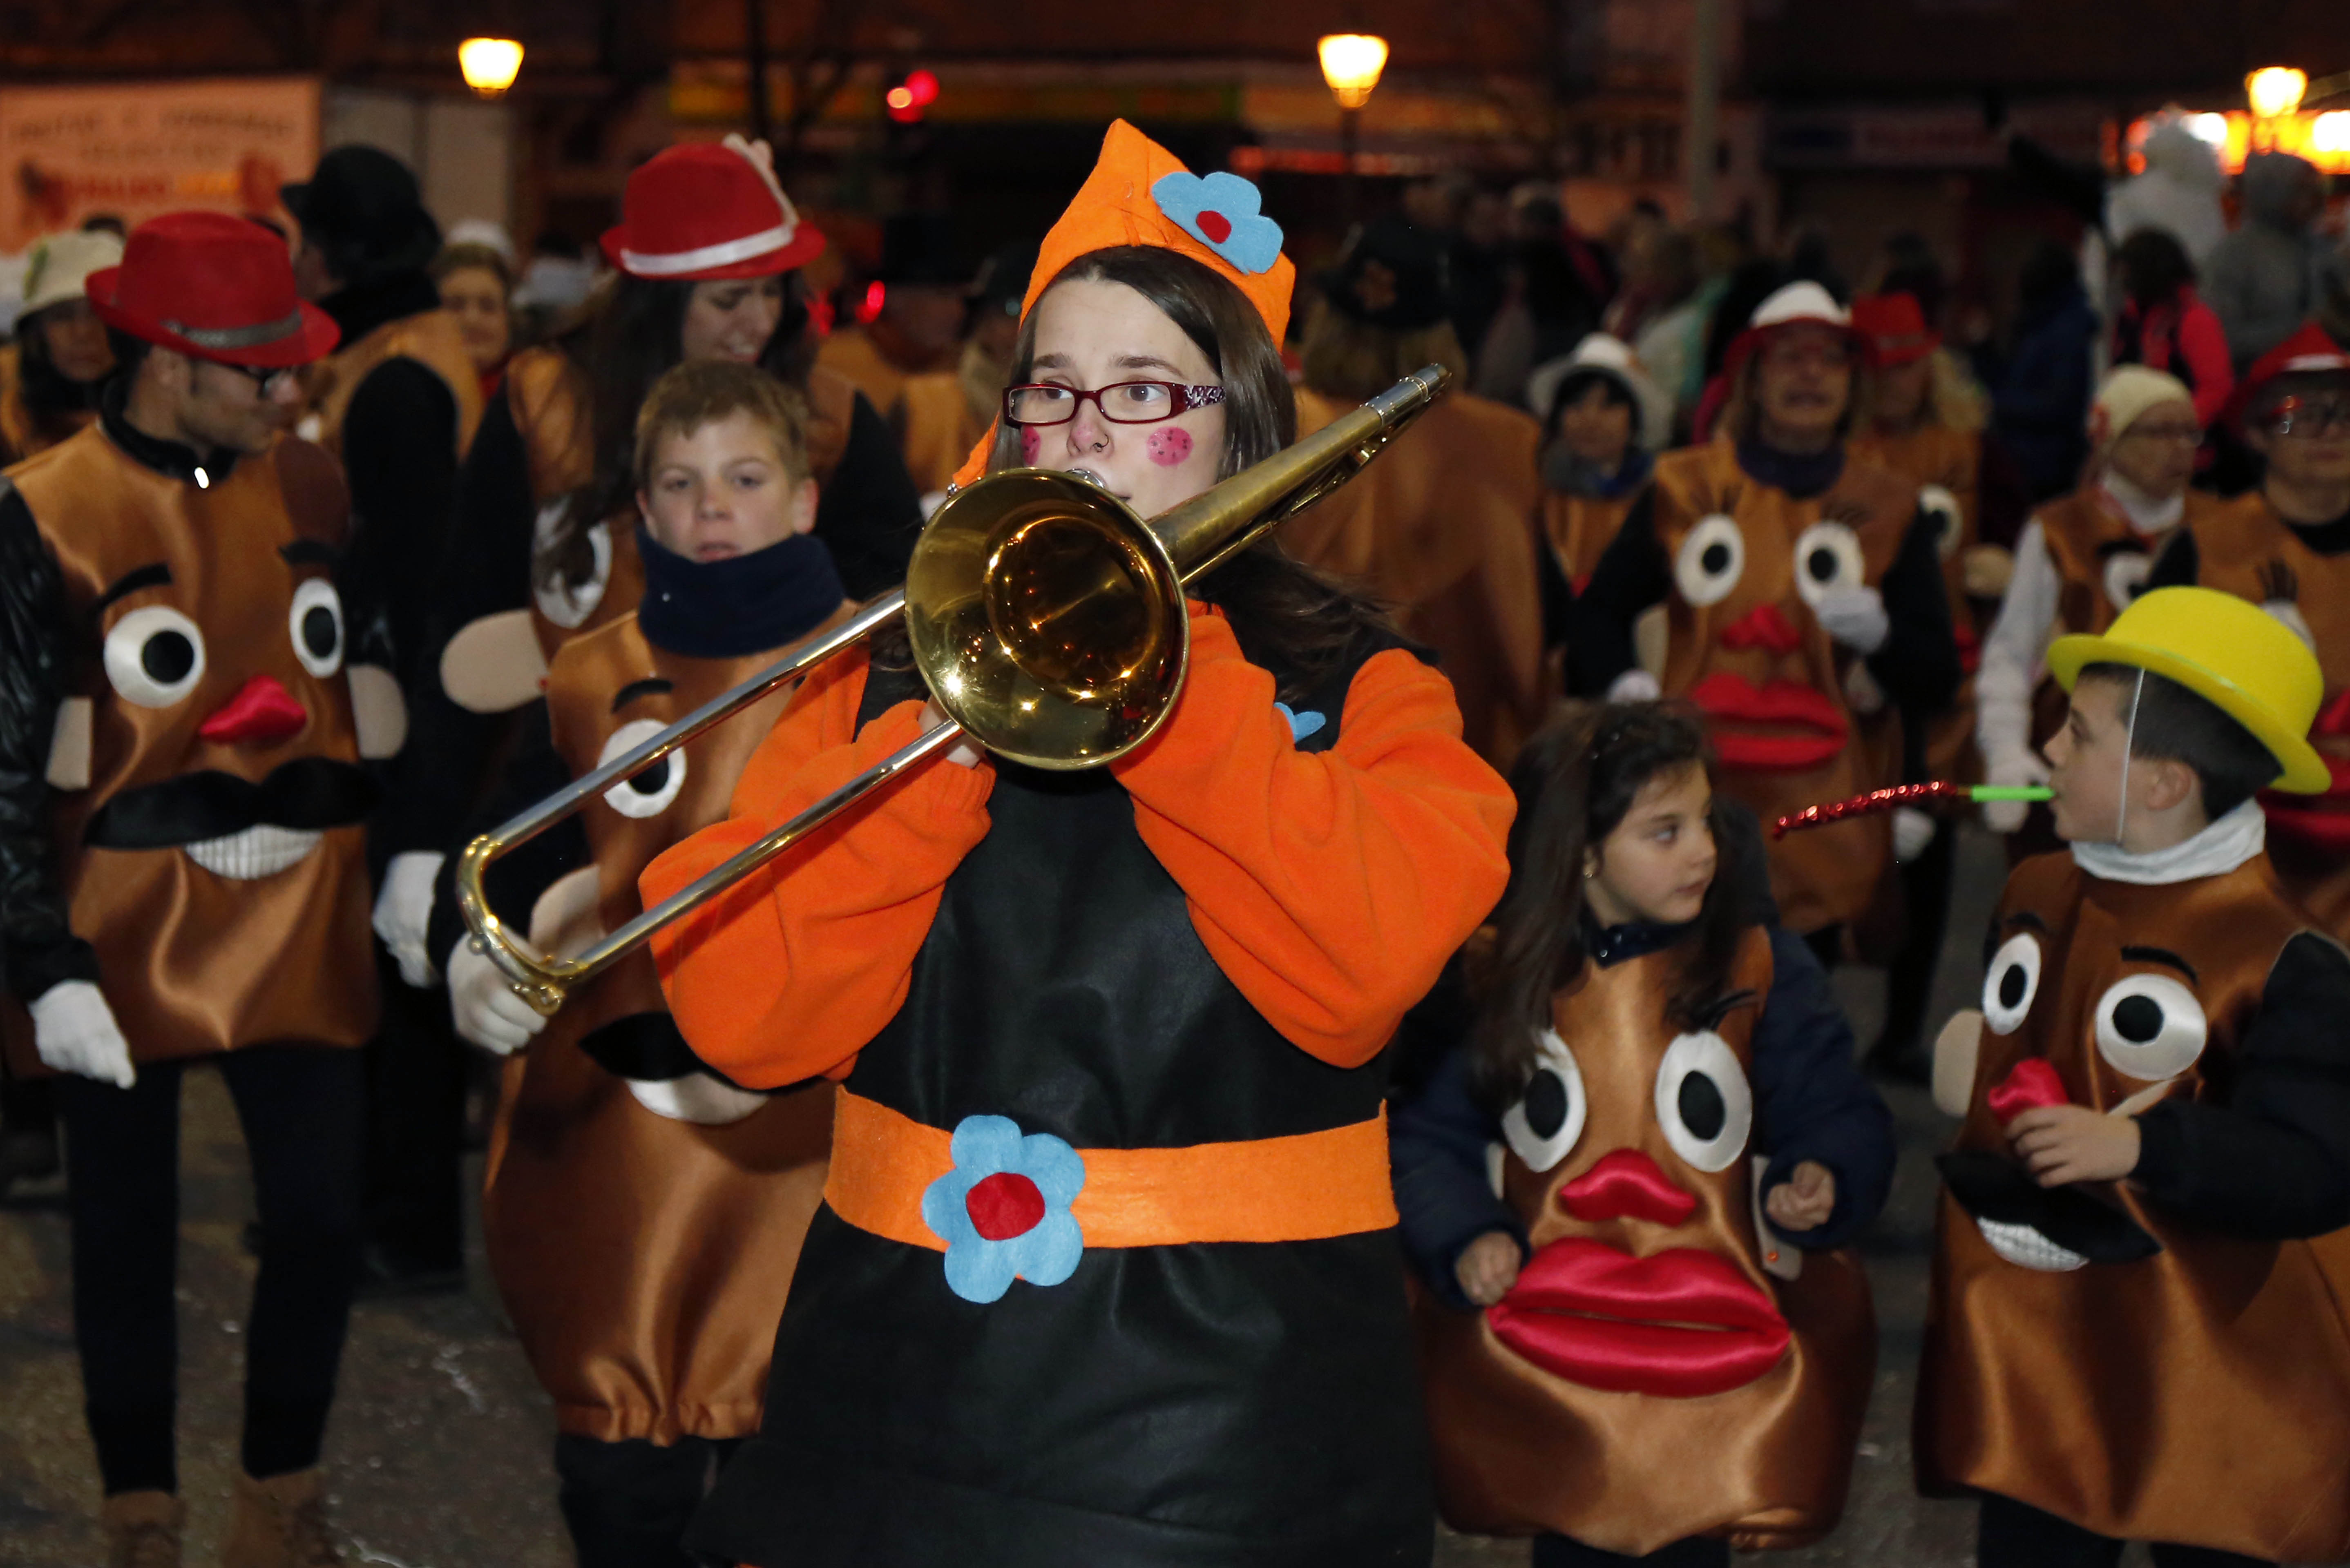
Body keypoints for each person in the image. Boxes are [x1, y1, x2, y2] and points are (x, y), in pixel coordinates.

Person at [641, 119, 1516, 1567]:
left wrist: (1162, 673)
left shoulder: (1369, 687)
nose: (1086, 429)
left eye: (1141, 389)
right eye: (1051, 386)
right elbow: (747, 1012)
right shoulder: (889, 671)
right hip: (897, 1389)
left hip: (1229, 1416)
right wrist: (948, 729)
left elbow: (1360, 973)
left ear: (1240, 430)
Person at [0, 211, 393, 1568]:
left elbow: (369, 671)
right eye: (264, 373)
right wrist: (38, 953)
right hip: (122, 923)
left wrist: (402, 865)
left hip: (300, 899)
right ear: (169, 361)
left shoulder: (314, 483)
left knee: (325, 1209)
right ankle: (139, 1506)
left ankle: (279, 1490)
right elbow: (0, 756)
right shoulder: (44, 506)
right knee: (122, 1222)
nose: (290, 394)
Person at [428, 360, 847, 1568]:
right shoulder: (590, 670)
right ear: (645, 515)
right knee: (618, 1477)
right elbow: (520, 837)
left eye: (745, 476)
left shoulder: (872, 666)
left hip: (806, 1136)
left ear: (804, 501)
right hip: (624, 1132)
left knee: (789, 1481)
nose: (714, 507)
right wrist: (478, 948)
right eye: (682, 482)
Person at [369, 134, 921, 1015]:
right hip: (573, 778)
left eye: (774, 293)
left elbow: (897, 612)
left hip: (771, 790)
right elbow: (466, 614)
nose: (759, 322)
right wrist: (421, 836)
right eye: (729, 299)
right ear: (658, 305)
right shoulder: (547, 399)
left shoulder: (825, 416)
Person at [1394, 702, 1893, 1565]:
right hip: (1564, 1352)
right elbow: (1430, 1132)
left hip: (1704, 1343)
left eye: (1703, 819)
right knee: (1574, 1529)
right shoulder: (1505, 972)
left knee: (1688, 1536)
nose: (1702, 847)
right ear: (1584, 853)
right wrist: (1465, 1228)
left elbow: (1832, 1099)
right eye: (1663, 832)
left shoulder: (1751, 964)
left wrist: (1823, 1168)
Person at [1917, 586, 2350, 1568]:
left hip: (2208, 1366)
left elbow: (2316, 1165)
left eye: (2075, 733)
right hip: (2042, 1340)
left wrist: (2145, 1143)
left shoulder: (2281, 958)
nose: (2051, 752)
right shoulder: (2035, 889)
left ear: (2161, 783)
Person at [1570, 282, 1962, 957]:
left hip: (1824, 819)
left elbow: (1935, 675)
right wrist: (1622, 683)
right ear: (1751, 379)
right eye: (1787, 357)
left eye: (1828, 358)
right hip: (1692, 793)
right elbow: (1594, 617)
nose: (1809, 373)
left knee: (1790, 1005)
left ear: (1853, 382)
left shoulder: (1890, 506)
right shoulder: (1683, 488)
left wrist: (1885, 639)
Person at [1282, 213, 1552, 770]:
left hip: (1301, 727)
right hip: (1454, 735)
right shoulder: (1505, 441)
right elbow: (1523, 625)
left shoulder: (1282, 425)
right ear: (1440, 330)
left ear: (1328, 316)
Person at [1848, 290, 2032, 1075]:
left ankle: (1900, 1030)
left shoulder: (1968, 443)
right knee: (1837, 836)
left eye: (1911, 365)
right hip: (1847, 675)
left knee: (1927, 849)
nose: (1900, 382)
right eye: (1885, 369)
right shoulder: (1837, 445)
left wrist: (1999, 575)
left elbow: (2020, 533)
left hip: (1940, 675)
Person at [2147, 326, 2350, 939]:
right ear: (2257, 432)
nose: (2329, 430)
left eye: (2345, 411)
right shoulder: (2203, 549)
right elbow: (2144, 702)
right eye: (2297, 414)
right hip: (2238, 840)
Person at [1977, 369, 2216, 848]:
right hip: (2073, 769)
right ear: (2110, 440)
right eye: (2158, 431)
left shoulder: (2223, 527)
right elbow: (2009, 652)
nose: (2179, 448)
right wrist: (2003, 748)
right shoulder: (2060, 531)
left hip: (2188, 778)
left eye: (2188, 432)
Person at [894, 238, 1038, 502]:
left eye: (1036, 311)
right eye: (1011, 309)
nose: (1023, 326)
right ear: (985, 321)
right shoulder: (926, 402)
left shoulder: (1072, 409)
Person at [1525, 332, 1665, 593]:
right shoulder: (1538, 494)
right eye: (1576, 405)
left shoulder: (1658, 499)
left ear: (1634, 420)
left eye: (1608, 405)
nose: (1590, 419)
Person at [816, 211, 969, 424]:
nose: (957, 311)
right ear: (896, 300)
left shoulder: (966, 370)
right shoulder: (832, 366)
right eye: (942, 296)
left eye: (961, 298)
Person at [1986, 240, 2100, 501]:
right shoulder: (2037, 322)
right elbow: (2012, 377)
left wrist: (1996, 405)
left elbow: (2058, 402)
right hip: (2022, 457)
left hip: (2048, 463)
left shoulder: (2066, 330)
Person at [2203, 150, 2332, 376]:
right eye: (2301, 190)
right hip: (2259, 387)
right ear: (2273, 193)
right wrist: (2300, 332)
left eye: (2316, 189)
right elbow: (2221, 338)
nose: (2314, 199)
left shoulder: (2320, 248)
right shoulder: (2235, 255)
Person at [0, 228, 122, 464]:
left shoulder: (168, 427)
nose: (82, 333)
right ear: (37, 332)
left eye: (99, 313)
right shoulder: (9, 429)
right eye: (62, 316)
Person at [2108, 228, 2232, 436]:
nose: (2123, 280)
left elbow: (2216, 389)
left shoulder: (2194, 319)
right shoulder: (2128, 319)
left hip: (2190, 444)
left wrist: (2171, 430)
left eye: (2129, 272)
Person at [430, 240, 515, 402]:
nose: (472, 320)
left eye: (488, 307)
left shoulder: (533, 400)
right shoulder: (403, 393)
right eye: (455, 306)